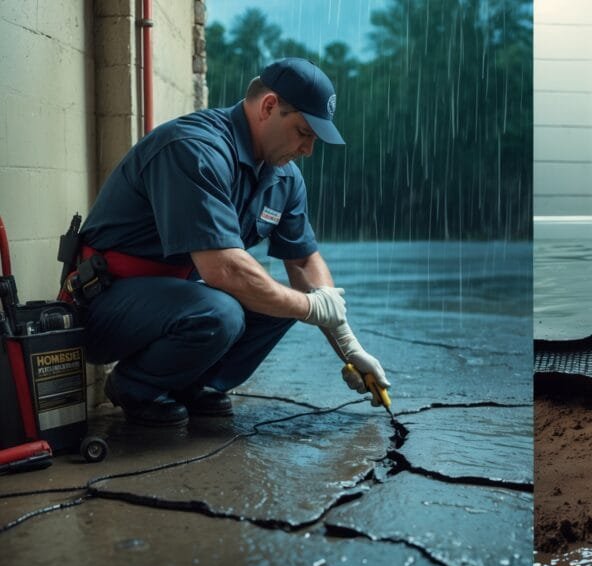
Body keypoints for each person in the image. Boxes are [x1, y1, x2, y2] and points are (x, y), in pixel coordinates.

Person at [76, 58, 389, 427]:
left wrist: (350, 347)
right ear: (269, 107)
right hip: (105, 303)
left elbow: (304, 264)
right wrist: (308, 306)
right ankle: (134, 386)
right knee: (227, 311)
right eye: (304, 132)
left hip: (178, 298)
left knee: (283, 302)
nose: (308, 150)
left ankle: (195, 385)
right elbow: (222, 268)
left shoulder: (284, 178)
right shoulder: (194, 148)